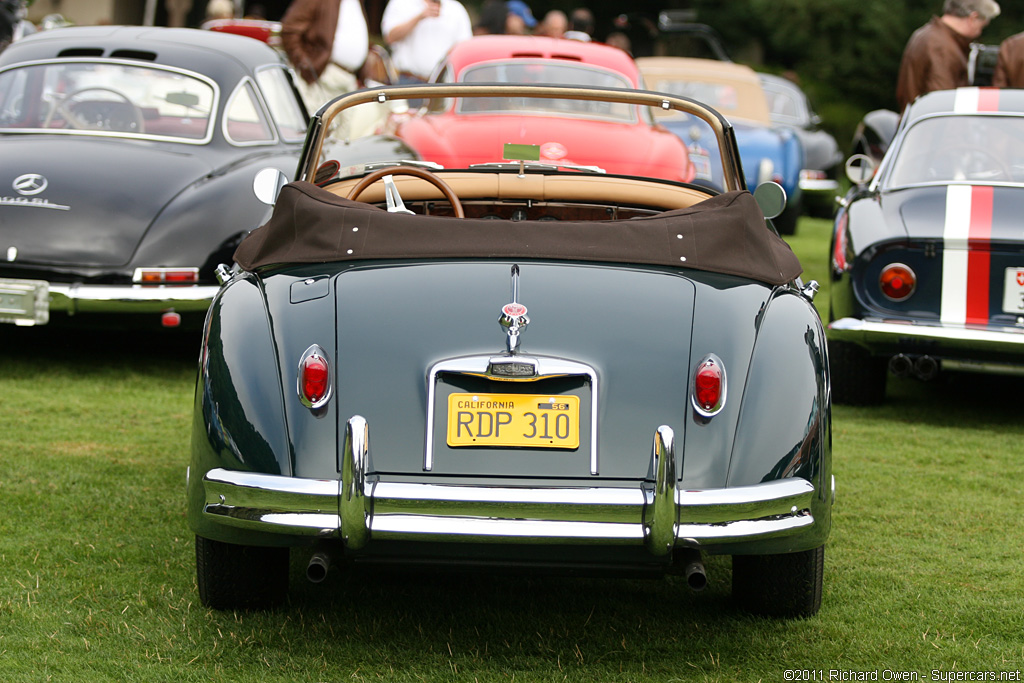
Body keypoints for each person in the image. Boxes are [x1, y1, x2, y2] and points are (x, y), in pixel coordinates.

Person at [895, 0, 1001, 113]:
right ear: (973, 18)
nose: (979, 32)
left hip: (918, 122)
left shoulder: (926, 34)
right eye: (982, 26)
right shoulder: (942, 47)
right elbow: (943, 102)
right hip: (935, 127)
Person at [381, 0, 472, 84]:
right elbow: (390, 38)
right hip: (409, 81)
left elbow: (465, 47)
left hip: (444, 84)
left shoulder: (456, 8)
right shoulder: (400, 3)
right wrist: (420, 17)